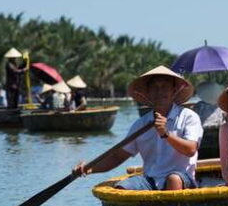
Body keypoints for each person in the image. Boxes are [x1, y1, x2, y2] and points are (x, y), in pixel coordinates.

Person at [73, 66, 202, 190]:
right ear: (148, 93)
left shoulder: (188, 117)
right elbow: (118, 156)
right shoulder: (141, 124)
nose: (160, 92)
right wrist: (89, 169)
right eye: (155, 88)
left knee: (173, 179)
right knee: (122, 187)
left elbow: (191, 149)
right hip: (150, 180)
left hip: (183, 179)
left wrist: (166, 134)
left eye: (165, 87)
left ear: (174, 90)